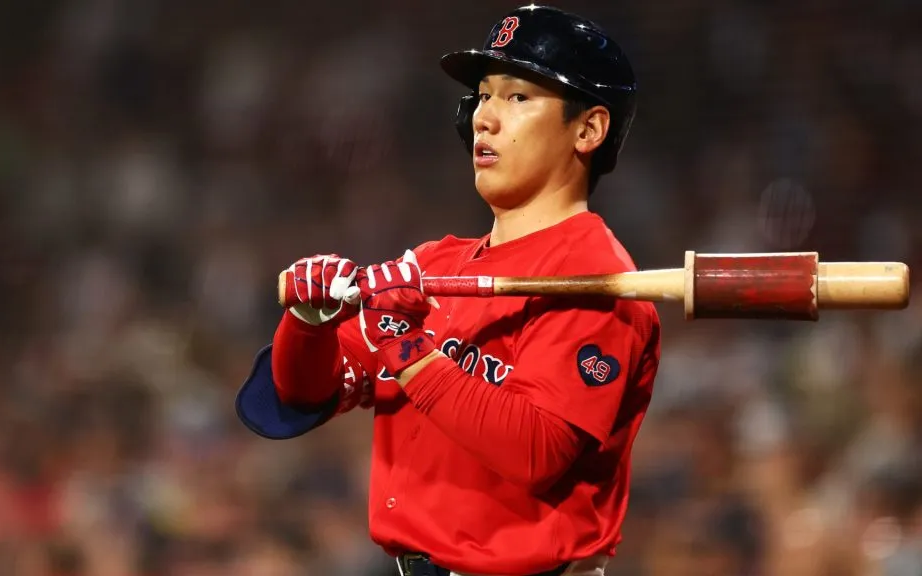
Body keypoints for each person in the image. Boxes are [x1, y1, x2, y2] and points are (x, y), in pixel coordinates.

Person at [236, 5, 662, 576]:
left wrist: (406, 348)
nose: (485, 118)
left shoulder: (597, 278)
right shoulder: (437, 263)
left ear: (587, 129)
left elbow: (537, 452)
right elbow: (296, 396)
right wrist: (309, 323)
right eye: (483, 96)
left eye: (517, 97)